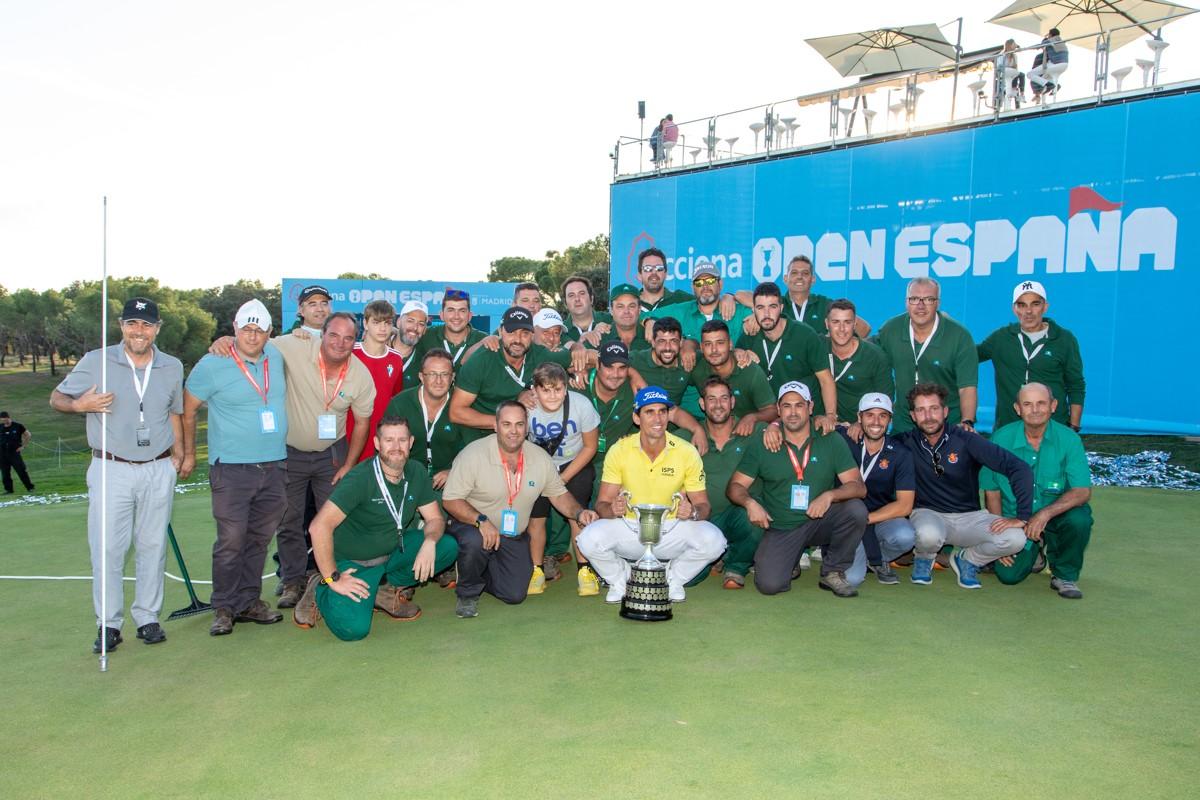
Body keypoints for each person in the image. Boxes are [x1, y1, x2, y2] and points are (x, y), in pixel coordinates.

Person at [50, 297, 185, 653]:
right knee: (108, 547)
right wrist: (80, 405)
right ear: (122, 326)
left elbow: (175, 412)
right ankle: (108, 623)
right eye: (132, 324)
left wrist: (181, 452)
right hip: (111, 466)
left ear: (157, 329)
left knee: (152, 545)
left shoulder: (171, 366)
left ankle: (147, 617)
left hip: (158, 466)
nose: (138, 332)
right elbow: (57, 398)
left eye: (146, 325)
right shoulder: (97, 361)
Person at [217, 312, 376, 608]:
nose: (339, 343)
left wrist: (349, 464)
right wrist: (229, 339)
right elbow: (255, 341)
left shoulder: (360, 375)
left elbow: (363, 424)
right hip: (289, 452)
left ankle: (330, 576)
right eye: (333, 335)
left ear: (356, 341)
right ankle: (293, 580)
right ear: (322, 334)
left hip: (332, 454)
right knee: (288, 519)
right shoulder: (295, 346)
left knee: (334, 519)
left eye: (348, 338)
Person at [291, 416, 459, 639]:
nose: (396, 447)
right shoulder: (360, 478)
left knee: (446, 546)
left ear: (411, 442)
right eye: (389, 440)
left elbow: (435, 519)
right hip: (351, 564)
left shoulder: (416, 472)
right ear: (377, 444)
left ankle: (381, 589)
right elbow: (318, 527)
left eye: (402, 440)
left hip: (390, 554)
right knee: (354, 630)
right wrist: (333, 577)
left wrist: (429, 542)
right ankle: (320, 586)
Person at [181, 299, 289, 635]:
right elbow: (188, 409)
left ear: (270, 332)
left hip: (273, 465)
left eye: (259, 330)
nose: (252, 336)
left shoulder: (275, 355)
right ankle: (224, 607)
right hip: (231, 468)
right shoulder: (215, 361)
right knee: (231, 540)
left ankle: (248, 601)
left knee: (259, 539)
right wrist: (188, 453)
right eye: (246, 329)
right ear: (234, 328)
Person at [441, 401, 599, 619]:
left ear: (527, 428)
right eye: (506, 424)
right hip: (473, 526)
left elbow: (559, 495)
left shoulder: (539, 458)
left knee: (515, 594)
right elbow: (450, 500)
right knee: (474, 542)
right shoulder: (473, 454)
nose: (513, 431)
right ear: (496, 426)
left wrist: (579, 513)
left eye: (519, 424)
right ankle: (467, 593)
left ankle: (480, 568)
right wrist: (480, 520)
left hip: (511, 534)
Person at [576, 387, 727, 603]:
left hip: (671, 527)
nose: (657, 418)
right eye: (649, 412)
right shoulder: (620, 449)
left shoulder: (686, 451)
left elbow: (704, 506)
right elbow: (602, 504)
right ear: (637, 418)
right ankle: (622, 581)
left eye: (662, 411)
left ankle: (670, 581)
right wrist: (612, 510)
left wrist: (692, 512)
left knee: (715, 541)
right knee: (587, 539)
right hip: (631, 526)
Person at [727, 382, 867, 597]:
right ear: (779, 409)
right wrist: (750, 503)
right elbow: (735, 486)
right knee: (769, 585)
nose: (793, 412)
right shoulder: (764, 441)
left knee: (855, 510)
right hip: (781, 526)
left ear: (810, 407)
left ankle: (833, 572)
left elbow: (858, 487)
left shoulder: (830, 438)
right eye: (787, 406)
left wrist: (830, 495)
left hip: (819, 520)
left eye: (799, 405)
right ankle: (790, 561)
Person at [900, 383, 1034, 589]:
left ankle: (968, 559)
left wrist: (1022, 516)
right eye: (921, 410)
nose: (928, 416)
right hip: (929, 514)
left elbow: (1019, 468)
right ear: (913, 415)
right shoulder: (905, 442)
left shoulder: (966, 439)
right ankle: (924, 558)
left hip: (970, 517)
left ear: (945, 412)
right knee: (928, 535)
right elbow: (872, 445)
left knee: (1015, 539)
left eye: (934, 409)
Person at [983, 383, 1093, 599]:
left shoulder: (1069, 439)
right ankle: (1035, 550)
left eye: (1041, 403)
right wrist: (999, 540)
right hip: (1014, 519)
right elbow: (991, 492)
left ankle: (1064, 574)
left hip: (1055, 515)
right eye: (1027, 404)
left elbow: (1082, 491)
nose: (1035, 409)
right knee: (1008, 576)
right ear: (1017, 408)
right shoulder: (999, 439)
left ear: (1053, 406)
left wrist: (1044, 515)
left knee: (1079, 520)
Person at [524, 363, 600, 595]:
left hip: (574, 464)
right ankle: (536, 570)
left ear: (566, 389)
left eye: (558, 389)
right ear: (534, 390)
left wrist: (562, 478)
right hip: (538, 466)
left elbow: (590, 446)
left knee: (576, 514)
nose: (553, 395)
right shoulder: (526, 408)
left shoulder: (581, 405)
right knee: (535, 519)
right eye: (546, 390)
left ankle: (585, 570)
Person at [450, 306, 577, 444]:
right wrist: (504, 423)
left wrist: (580, 360)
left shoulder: (538, 354)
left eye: (525, 333)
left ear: (532, 335)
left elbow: (580, 358)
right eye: (511, 332)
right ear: (500, 331)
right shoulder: (482, 360)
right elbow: (456, 412)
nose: (518, 339)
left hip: (518, 434)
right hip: (479, 433)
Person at [874, 277, 978, 433]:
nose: (920, 306)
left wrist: (967, 422)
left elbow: (967, 388)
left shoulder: (959, 336)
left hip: (947, 425)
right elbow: (866, 351)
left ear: (938, 303)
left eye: (928, 299)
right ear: (906, 302)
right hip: (905, 426)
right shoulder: (891, 329)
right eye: (914, 299)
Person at [978, 280, 1084, 431]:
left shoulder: (1064, 339)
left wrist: (1073, 427)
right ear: (1014, 309)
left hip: (1053, 427)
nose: (1028, 311)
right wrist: (944, 327)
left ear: (1045, 307)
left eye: (1035, 304)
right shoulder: (1001, 338)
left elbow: (1076, 385)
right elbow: (968, 355)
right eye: (1022, 305)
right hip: (1009, 428)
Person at [837, 393, 915, 587]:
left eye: (883, 415)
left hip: (878, 520)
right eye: (870, 415)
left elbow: (905, 506)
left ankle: (878, 559)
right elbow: (811, 426)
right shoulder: (843, 440)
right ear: (859, 417)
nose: (876, 421)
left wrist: (866, 519)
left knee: (906, 536)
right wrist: (774, 426)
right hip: (845, 520)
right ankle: (850, 553)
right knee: (852, 580)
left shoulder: (900, 453)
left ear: (890, 420)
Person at [735, 281, 837, 428]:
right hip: (768, 419)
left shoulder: (805, 335)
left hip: (807, 420)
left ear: (781, 308)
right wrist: (738, 353)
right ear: (754, 310)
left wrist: (831, 417)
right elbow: (732, 360)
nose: (766, 314)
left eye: (772, 307)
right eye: (760, 308)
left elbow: (826, 380)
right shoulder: (749, 335)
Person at [695, 377, 763, 590]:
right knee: (690, 580)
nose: (718, 405)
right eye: (711, 399)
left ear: (733, 402)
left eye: (724, 398)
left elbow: (790, 428)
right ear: (702, 404)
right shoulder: (688, 435)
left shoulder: (755, 431)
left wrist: (775, 426)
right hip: (701, 521)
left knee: (753, 514)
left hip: (737, 516)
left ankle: (736, 565)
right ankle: (715, 558)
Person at [736, 255, 871, 337]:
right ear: (785, 278)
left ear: (813, 279)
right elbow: (740, 295)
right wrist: (758, 312)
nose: (799, 277)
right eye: (794, 273)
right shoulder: (776, 304)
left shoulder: (824, 304)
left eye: (805, 273)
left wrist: (835, 342)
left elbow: (864, 329)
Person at [625, 317, 708, 449]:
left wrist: (741, 353)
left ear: (681, 342)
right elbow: (602, 359)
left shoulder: (687, 360)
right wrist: (631, 372)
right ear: (652, 342)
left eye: (673, 341)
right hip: (638, 432)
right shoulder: (637, 359)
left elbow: (715, 355)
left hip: (672, 430)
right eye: (662, 341)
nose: (668, 348)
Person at [688, 320, 777, 436]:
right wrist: (687, 346)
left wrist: (753, 417)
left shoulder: (750, 371)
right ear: (701, 347)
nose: (714, 350)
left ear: (730, 344)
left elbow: (772, 411)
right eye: (708, 344)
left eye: (720, 343)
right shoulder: (697, 367)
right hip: (713, 432)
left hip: (746, 433)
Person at [644, 261, 750, 350]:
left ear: (720, 284)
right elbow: (644, 315)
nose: (705, 286)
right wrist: (648, 321)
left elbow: (763, 308)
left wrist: (754, 316)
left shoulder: (737, 310)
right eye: (699, 283)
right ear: (693, 287)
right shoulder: (682, 310)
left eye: (710, 280)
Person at [349, 299, 407, 461]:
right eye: (376, 322)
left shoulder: (396, 359)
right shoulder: (351, 353)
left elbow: (395, 398)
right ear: (366, 324)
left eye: (387, 323)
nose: (383, 328)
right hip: (349, 434)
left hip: (381, 438)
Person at [823, 298, 894, 425]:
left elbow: (885, 401)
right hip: (827, 426)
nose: (842, 329)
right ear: (826, 324)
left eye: (847, 322)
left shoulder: (875, 356)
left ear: (855, 324)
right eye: (835, 322)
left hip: (862, 428)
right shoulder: (817, 347)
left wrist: (861, 424)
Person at [416, 288, 485, 372]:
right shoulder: (426, 336)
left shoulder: (483, 340)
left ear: (470, 316)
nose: (456, 316)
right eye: (451, 310)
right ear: (441, 315)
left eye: (462, 311)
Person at [634, 247, 693, 314]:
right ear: (639, 275)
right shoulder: (631, 304)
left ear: (666, 274)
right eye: (648, 268)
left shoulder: (682, 300)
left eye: (659, 268)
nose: (654, 273)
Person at [560, 275, 613, 348]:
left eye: (582, 293)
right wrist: (579, 342)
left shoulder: (610, 320)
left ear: (591, 299)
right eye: (571, 295)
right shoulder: (559, 331)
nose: (577, 299)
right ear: (565, 303)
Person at [390, 299, 431, 390]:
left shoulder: (424, 363)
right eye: (410, 321)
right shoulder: (379, 349)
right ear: (399, 322)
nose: (415, 328)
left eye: (421, 324)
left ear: (424, 330)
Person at [600, 283, 651, 352]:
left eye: (631, 306)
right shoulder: (598, 339)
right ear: (611, 310)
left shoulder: (653, 337)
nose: (626, 311)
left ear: (639, 309)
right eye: (620, 306)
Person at [1029, 28, 1068, 101]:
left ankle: (1049, 85)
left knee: (1030, 74)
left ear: (1050, 34)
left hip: (1055, 65)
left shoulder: (1050, 40)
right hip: (1064, 65)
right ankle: (1052, 85)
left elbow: (1038, 46)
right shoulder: (1061, 42)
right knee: (1046, 77)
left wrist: (1025, 48)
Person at [0, 411, 34, 494]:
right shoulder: (0, 427)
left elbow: (28, 435)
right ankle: (9, 490)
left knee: (21, 470)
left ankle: (29, 487)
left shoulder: (18, 426)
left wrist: (23, 446)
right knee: (5, 473)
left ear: (8, 417)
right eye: (2, 420)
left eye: (5, 420)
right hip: (2, 453)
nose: (4, 422)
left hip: (14, 452)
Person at [1001, 39, 1025, 107]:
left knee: (1021, 74)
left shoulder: (1014, 56)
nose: (1015, 46)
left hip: (1012, 72)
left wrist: (1018, 47)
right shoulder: (1003, 54)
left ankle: (1022, 94)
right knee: (1017, 74)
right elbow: (1001, 66)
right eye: (1014, 44)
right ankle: (1014, 91)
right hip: (1005, 72)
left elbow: (1016, 68)